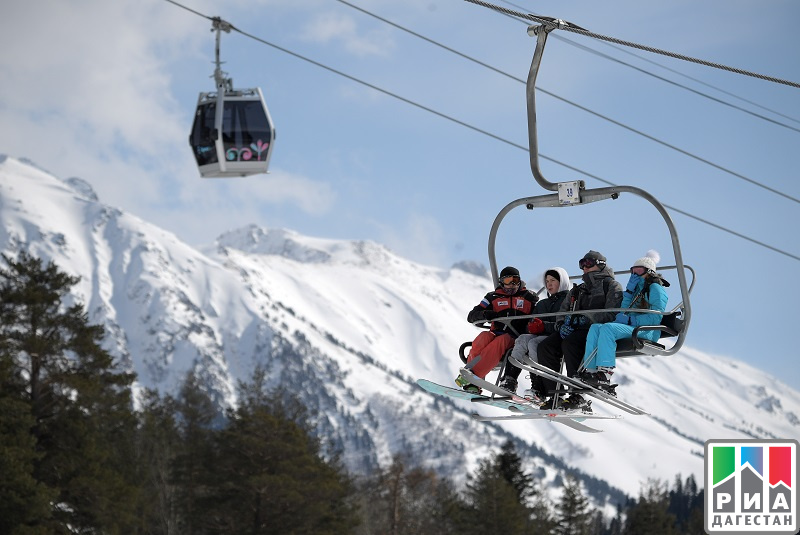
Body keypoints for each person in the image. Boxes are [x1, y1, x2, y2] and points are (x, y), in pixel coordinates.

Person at [535, 251, 623, 411]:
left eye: (588, 263)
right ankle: (555, 394)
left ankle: (578, 395)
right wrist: (561, 325)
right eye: (582, 264)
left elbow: (612, 313)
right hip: (572, 329)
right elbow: (562, 312)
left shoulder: (610, 286)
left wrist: (586, 319)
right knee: (545, 347)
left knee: (570, 344)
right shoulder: (578, 290)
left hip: (593, 330)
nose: (584, 267)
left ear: (600, 264)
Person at [579, 250, 669, 390]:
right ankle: (590, 371)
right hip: (633, 327)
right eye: (633, 271)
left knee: (608, 328)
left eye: (639, 271)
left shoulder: (656, 288)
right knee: (596, 327)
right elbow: (624, 310)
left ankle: (605, 373)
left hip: (648, 330)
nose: (635, 274)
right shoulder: (637, 289)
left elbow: (655, 317)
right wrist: (629, 293)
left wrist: (631, 321)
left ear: (649, 272)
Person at [455, 266, 539, 394]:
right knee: (483, 337)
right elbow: (471, 316)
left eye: (515, 280)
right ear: (501, 282)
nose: (512, 284)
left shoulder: (528, 297)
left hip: (516, 337)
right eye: (508, 281)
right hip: (496, 333)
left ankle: (472, 378)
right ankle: (474, 382)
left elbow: (537, 316)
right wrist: (485, 314)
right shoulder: (493, 297)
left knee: (502, 340)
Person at [499, 267, 571, 400]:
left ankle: (538, 387)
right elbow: (531, 322)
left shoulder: (568, 301)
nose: (549, 284)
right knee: (522, 339)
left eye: (553, 280)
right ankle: (509, 379)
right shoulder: (542, 304)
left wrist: (544, 326)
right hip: (541, 335)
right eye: (547, 281)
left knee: (533, 343)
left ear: (562, 282)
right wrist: (531, 327)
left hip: (556, 337)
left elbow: (565, 325)